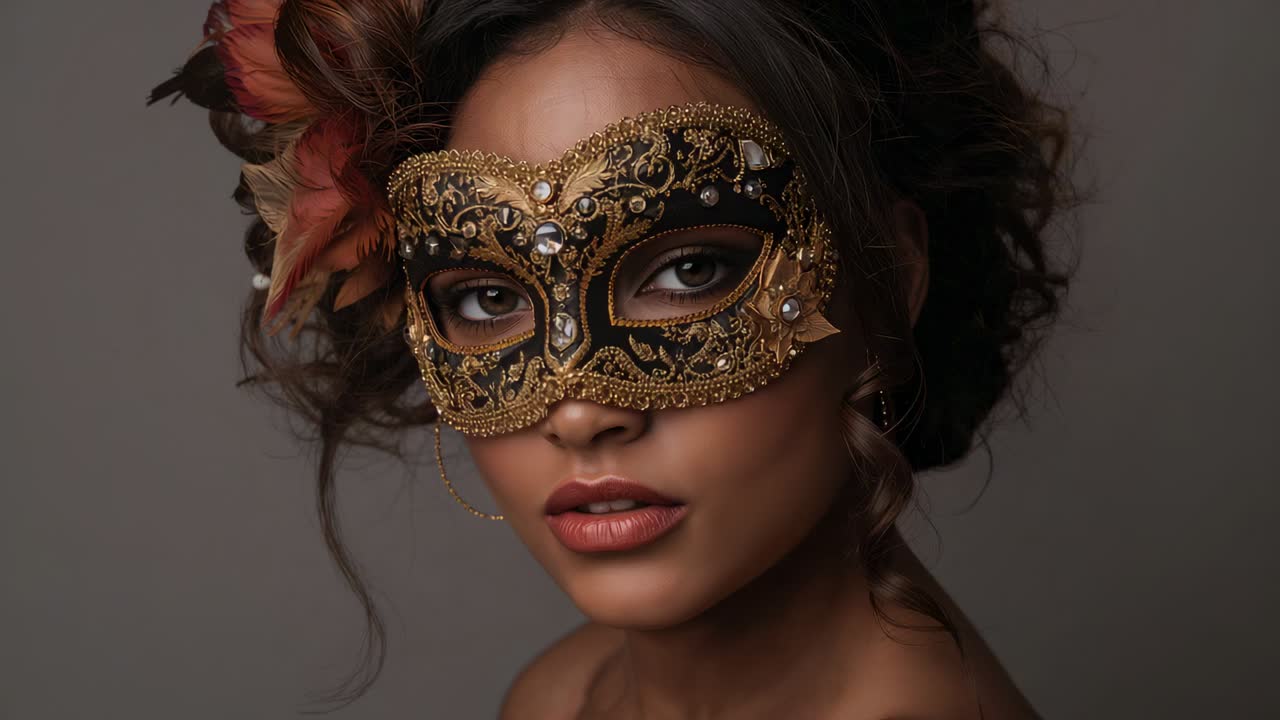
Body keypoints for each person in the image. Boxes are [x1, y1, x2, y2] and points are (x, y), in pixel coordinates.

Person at [151, 0, 1080, 716]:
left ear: (892, 276)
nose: (581, 410)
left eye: (688, 268)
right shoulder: (564, 698)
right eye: (490, 295)